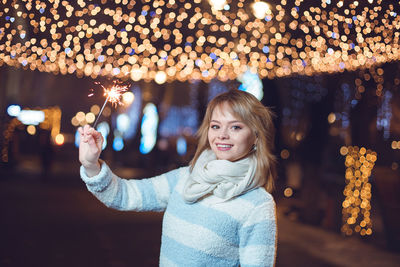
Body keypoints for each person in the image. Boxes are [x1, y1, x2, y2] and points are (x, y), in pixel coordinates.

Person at [78, 89, 277, 267]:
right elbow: (124, 195)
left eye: (236, 127)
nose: (222, 135)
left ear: (256, 136)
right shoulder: (185, 178)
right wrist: (91, 165)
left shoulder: (258, 204)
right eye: (215, 126)